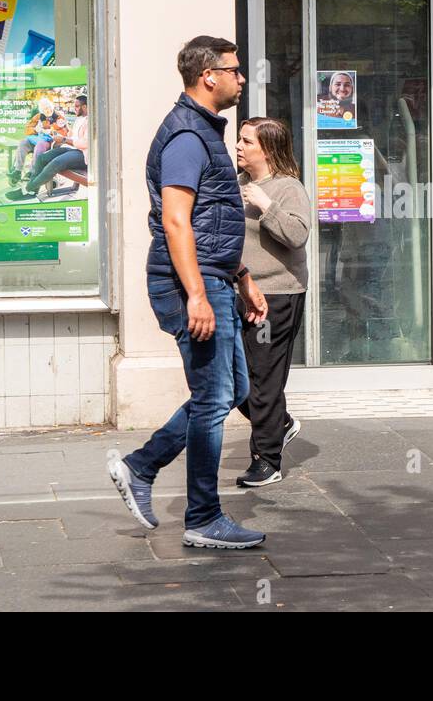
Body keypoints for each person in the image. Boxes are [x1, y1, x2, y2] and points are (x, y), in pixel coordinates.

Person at [107, 35, 270, 548]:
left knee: (231, 391)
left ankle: (141, 466)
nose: (242, 78)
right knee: (214, 395)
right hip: (189, 284)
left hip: (213, 278)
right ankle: (202, 516)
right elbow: (177, 223)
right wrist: (198, 294)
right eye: (235, 70)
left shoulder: (202, 132)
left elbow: (209, 222)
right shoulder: (185, 136)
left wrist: (241, 278)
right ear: (209, 76)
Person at [233, 117, 310, 488]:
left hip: (277, 296)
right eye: (239, 140)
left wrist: (267, 207)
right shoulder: (238, 185)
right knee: (234, 378)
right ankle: (279, 423)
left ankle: (267, 459)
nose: (238, 146)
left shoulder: (287, 188)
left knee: (264, 378)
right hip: (240, 293)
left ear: (267, 148)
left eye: (246, 141)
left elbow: (297, 236)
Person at [6, 92, 89, 201]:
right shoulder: (79, 119)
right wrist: (65, 134)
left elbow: (86, 143)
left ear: (85, 106)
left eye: (77, 106)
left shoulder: (90, 120)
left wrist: (64, 139)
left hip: (84, 155)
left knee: (55, 163)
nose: (75, 108)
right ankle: (32, 191)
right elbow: (73, 135)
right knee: (42, 158)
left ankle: (27, 189)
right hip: (73, 149)